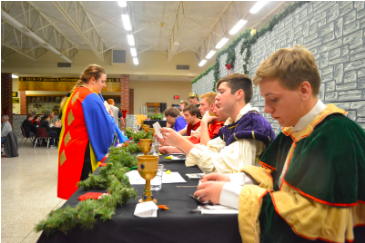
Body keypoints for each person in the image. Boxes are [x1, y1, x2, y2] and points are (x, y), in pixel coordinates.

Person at [193, 46, 365, 243]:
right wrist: (231, 180)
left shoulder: (337, 135)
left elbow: (317, 220)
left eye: (273, 99)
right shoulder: (292, 131)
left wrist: (232, 195)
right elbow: (271, 175)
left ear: (304, 90)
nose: (266, 109)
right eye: (265, 100)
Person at [158, 73, 275, 174]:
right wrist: (177, 142)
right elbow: (210, 151)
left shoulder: (251, 122)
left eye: (222, 92)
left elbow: (230, 170)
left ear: (239, 94)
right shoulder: (233, 123)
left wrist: (180, 142)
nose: (217, 98)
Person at [57, 64, 117, 200]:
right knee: (85, 192)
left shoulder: (75, 93)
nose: (104, 85)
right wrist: (111, 118)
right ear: (92, 80)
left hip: (69, 147)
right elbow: (104, 126)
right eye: (102, 81)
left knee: (74, 192)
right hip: (82, 151)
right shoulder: (90, 97)